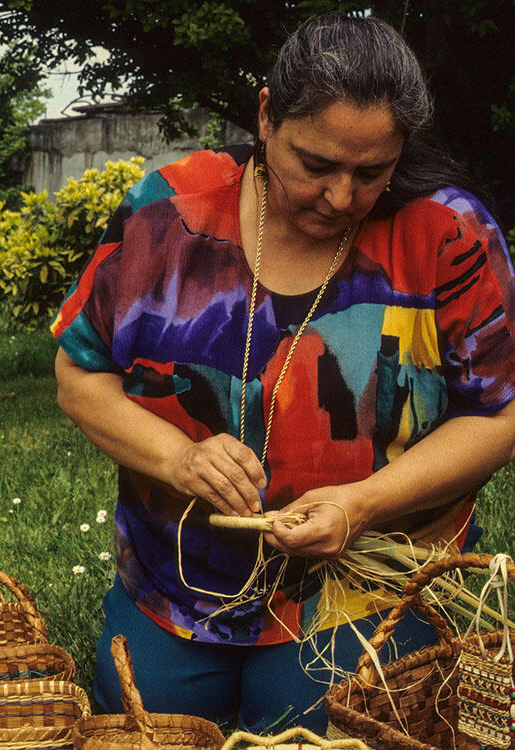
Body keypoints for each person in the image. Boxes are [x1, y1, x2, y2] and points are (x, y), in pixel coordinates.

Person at [51, 14, 515, 734]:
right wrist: (179, 457)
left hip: (367, 584)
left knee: (311, 724)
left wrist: (361, 504)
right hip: (175, 583)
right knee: (155, 725)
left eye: (371, 173)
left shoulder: (448, 234)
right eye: (316, 165)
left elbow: (499, 415)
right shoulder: (165, 214)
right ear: (266, 115)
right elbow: (79, 377)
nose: (340, 198)